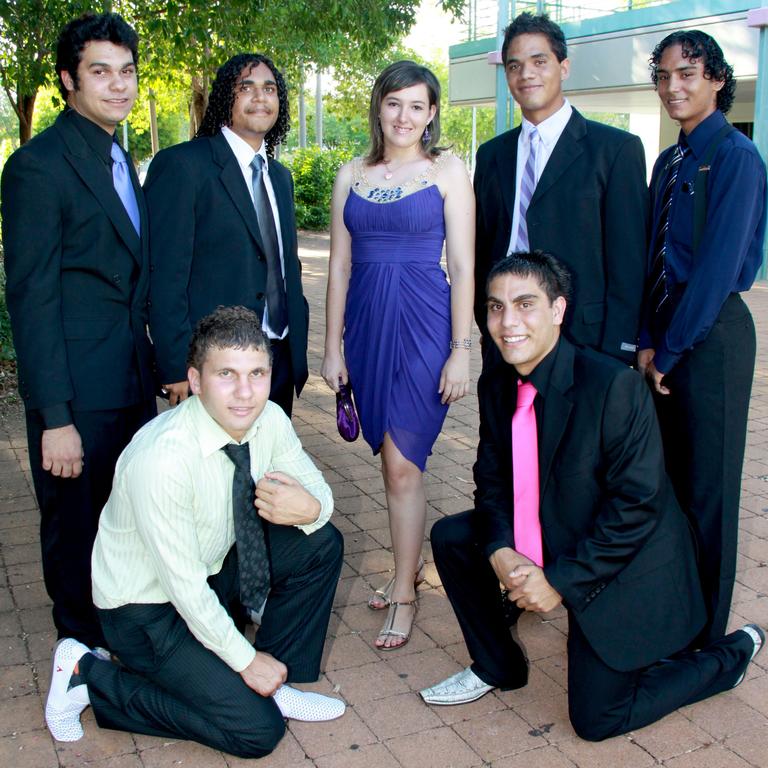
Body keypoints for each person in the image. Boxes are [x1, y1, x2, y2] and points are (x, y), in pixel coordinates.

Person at [419, 252, 764, 741]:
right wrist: (499, 549)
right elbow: (492, 480)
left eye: (524, 304)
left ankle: (730, 657)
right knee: (454, 537)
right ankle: (499, 666)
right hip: (557, 524)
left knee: (596, 718)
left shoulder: (613, 387)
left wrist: (556, 581)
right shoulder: (497, 383)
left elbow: (635, 509)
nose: (507, 321)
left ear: (558, 310)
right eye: (495, 307)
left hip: (627, 558)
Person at [43, 306, 345, 755]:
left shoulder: (269, 420)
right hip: (146, 609)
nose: (246, 393)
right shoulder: (162, 459)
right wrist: (244, 660)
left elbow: (315, 487)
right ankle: (90, 676)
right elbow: (183, 588)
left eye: (257, 373)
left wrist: (314, 506)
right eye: (227, 374)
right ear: (196, 380)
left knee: (320, 542)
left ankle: (276, 680)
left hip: (212, 568)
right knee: (256, 732)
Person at [1, 12, 156, 650]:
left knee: (124, 523)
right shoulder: (36, 166)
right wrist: (54, 417)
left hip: (130, 382)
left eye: (127, 72)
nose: (118, 86)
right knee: (74, 533)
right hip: (75, 394)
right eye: (100, 72)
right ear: (69, 80)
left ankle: (118, 641)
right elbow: (31, 298)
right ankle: (79, 657)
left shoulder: (122, 156)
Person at [321, 61, 474, 650]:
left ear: (432, 113)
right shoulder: (350, 174)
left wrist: (461, 350)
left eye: (417, 105)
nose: (404, 116)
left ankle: (407, 591)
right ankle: (402, 567)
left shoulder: (447, 170)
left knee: (403, 461)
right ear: (377, 108)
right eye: (393, 103)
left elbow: (462, 266)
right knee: (385, 455)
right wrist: (332, 348)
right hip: (365, 326)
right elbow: (338, 265)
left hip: (424, 324)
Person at [638, 31, 767, 648]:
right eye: (662, 76)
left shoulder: (738, 158)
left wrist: (671, 349)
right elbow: (650, 258)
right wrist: (645, 341)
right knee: (668, 486)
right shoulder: (670, 161)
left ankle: (709, 638)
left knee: (710, 491)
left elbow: (716, 270)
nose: (673, 87)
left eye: (687, 74)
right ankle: (674, 610)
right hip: (665, 341)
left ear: (717, 78)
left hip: (711, 342)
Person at [474, 12, 648, 364]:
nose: (526, 74)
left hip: (584, 342)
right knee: (502, 421)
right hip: (505, 338)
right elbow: (483, 244)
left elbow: (628, 262)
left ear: (563, 67)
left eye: (539, 61)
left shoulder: (615, 150)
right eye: (514, 65)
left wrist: (617, 351)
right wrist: (486, 321)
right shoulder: (492, 155)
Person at [145, 53, 307, 417]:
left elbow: (283, 263)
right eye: (245, 87)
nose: (260, 97)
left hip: (276, 358)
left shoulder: (279, 177)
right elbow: (165, 274)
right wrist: (175, 365)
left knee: (264, 467)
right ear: (224, 98)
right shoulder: (183, 166)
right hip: (215, 364)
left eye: (269, 88)